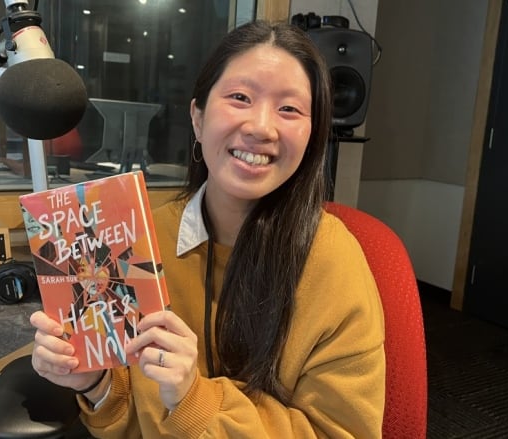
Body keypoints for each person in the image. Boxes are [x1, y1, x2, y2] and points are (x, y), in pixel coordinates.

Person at [30, 20, 385, 438]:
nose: (260, 127)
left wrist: (192, 399)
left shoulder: (334, 263)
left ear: (312, 135)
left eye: (289, 108)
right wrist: (94, 383)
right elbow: (134, 417)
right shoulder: (138, 239)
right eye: (240, 97)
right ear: (197, 118)